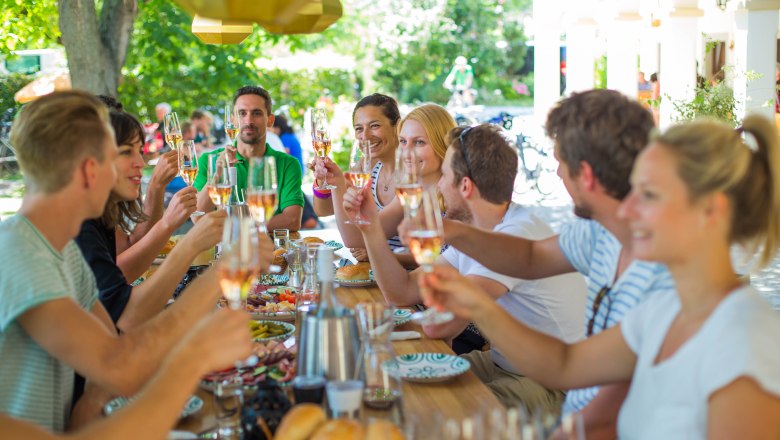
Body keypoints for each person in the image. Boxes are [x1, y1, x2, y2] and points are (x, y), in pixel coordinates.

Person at [421, 115, 780, 438]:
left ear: (710, 212)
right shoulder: (666, 308)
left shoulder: (744, 343)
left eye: (649, 194)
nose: (629, 208)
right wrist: (478, 306)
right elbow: (566, 366)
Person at [0, 91, 272, 432]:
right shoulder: (21, 254)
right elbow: (122, 365)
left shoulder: (59, 248)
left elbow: (117, 352)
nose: (140, 164)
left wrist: (97, 399)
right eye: (117, 155)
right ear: (90, 170)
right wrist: (220, 277)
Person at [416, 90, 674, 438]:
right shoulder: (599, 231)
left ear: (586, 174)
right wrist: (448, 229)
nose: (556, 172)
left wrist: (477, 304)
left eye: (560, 162)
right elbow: (529, 257)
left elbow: (600, 405)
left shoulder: (654, 268)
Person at [344, 123, 586, 412]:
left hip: (551, 385)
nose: (438, 185)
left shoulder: (512, 233)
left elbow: (442, 324)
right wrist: (371, 229)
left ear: (466, 186)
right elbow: (404, 292)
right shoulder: (476, 231)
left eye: (444, 175)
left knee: (439, 408)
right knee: (389, 379)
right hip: (502, 363)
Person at [2, 308, 253, 440]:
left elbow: (114, 356)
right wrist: (193, 359)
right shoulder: (23, 250)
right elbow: (122, 353)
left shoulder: (67, 252)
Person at [75, 110, 224, 330]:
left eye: (139, 151)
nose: (140, 162)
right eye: (126, 152)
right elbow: (127, 314)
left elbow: (122, 263)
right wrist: (186, 241)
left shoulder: (96, 214)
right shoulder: (78, 226)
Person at [193, 86, 304, 232]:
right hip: (220, 252)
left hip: (270, 251)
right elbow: (198, 218)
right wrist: (218, 174)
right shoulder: (208, 160)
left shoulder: (288, 164)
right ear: (233, 120)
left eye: (256, 113)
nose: (248, 120)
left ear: (270, 120)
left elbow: (292, 220)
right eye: (242, 113)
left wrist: (236, 229)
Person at [312, 93, 406, 263]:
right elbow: (324, 210)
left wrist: (372, 250)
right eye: (359, 128)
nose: (366, 136)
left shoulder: (412, 174)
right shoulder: (366, 167)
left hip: (402, 274)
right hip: (372, 271)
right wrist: (323, 181)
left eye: (375, 125)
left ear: (397, 126)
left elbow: (355, 239)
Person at [271, 114, 319, 229]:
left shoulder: (285, 138)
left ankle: (308, 219)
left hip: (292, 172)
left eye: (272, 128)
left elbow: (284, 154)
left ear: (277, 127)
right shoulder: (290, 135)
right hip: (297, 170)